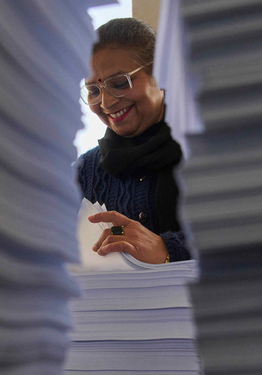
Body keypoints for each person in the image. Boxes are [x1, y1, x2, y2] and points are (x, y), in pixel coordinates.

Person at [76, 17, 191, 264]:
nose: (106, 103)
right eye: (94, 91)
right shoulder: (86, 170)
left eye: (119, 83)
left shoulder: (213, 147)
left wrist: (167, 248)